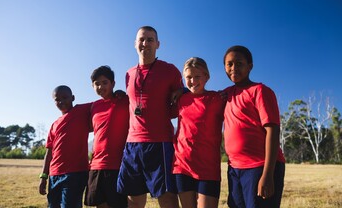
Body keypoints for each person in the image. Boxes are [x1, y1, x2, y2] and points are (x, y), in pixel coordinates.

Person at [117, 26, 183, 208]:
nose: (145, 43)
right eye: (141, 39)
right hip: (132, 144)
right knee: (133, 199)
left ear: (158, 44)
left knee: (167, 198)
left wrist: (183, 92)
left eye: (150, 39)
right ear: (134, 44)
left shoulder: (170, 71)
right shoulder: (128, 74)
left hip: (160, 142)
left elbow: (178, 107)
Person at [222, 45, 285, 208]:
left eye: (239, 63)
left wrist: (267, 174)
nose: (233, 68)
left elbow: (273, 130)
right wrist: (183, 91)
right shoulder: (225, 94)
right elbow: (201, 95)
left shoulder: (260, 91)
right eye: (229, 64)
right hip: (234, 168)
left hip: (260, 167)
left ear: (250, 66)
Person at [172, 57, 225, 208]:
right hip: (182, 165)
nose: (193, 81)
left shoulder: (217, 99)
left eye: (197, 76)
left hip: (208, 168)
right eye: (188, 77)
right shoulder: (181, 99)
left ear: (207, 77)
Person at [84, 65, 129, 208]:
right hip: (96, 165)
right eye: (97, 84)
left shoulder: (124, 101)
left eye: (104, 82)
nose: (100, 86)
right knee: (100, 205)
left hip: (117, 165)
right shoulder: (93, 106)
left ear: (113, 84)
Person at [39, 85, 91, 208]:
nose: (61, 101)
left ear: (73, 98)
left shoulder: (82, 111)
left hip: (75, 173)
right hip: (54, 174)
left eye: (65, 97)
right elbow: (49, 153)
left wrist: (117, 95)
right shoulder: (54, 125)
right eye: (57, 99)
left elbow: (104, 102)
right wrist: (43, 176)